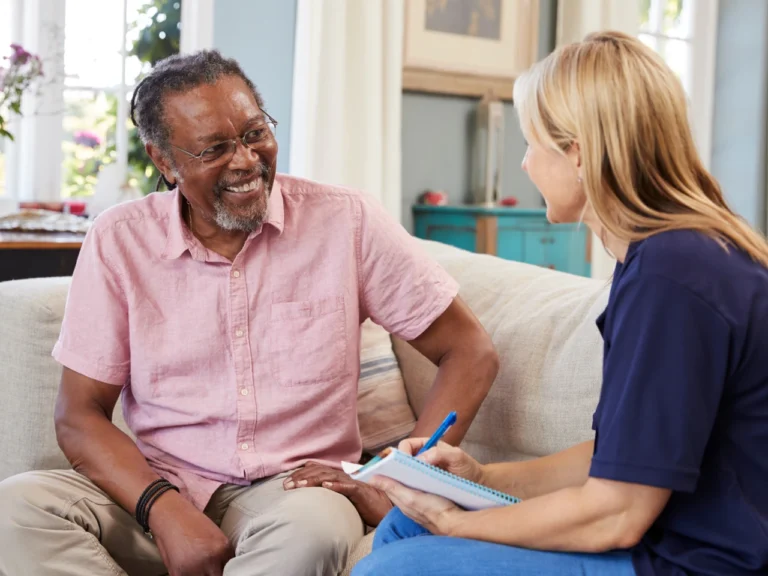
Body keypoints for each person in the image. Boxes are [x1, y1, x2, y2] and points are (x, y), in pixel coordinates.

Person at [0, 50, 499, 576]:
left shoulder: (344, 221)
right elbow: (78, 416)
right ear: (165, 161)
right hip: (155, 488)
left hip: (294, 494)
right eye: (214, 148)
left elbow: (469, 351)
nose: (245, 160)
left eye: (255, 133)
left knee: (314, 531)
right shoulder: (119, 239)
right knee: (18, 508)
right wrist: (163, 510)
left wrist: (394, 479)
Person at [353, 30, 768, 576]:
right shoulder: (662, 257)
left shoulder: (674, 276)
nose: (525, 164)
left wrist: (459, 523)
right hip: (661, 535)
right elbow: (617, 458)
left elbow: (616, 515)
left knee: (392, 568)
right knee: (405, 525)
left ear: (578, 153)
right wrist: (479, 478)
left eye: (532, 144)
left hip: (698, 562)